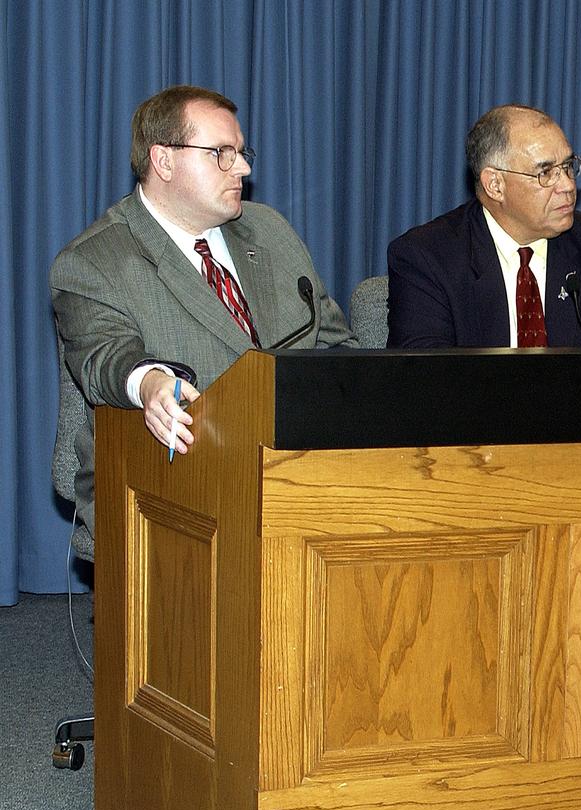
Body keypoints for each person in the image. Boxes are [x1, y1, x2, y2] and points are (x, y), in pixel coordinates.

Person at [50, 84, 356, 537]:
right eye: (222, 153)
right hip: (168, 487)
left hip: (295, 477)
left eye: (241, 151)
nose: (244, 168)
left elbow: (334, 346)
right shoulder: (95, 260)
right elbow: (105, 358)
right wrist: (150, 383)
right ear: (164, 160)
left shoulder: (268, 229)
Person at [388, 104, 581, 348]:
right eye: (546, 173)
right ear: (495, 185)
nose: (568, 185)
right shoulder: (428, 257)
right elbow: (424, 384)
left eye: (568, 166)